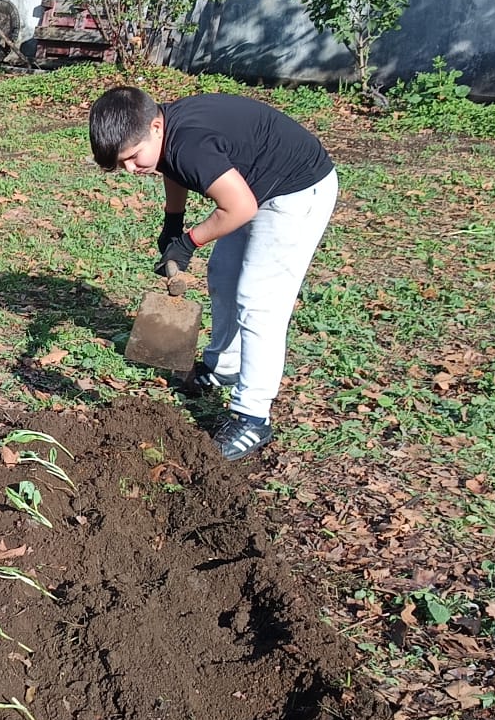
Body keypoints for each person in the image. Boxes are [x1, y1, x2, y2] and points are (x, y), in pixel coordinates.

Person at [89, 86, 337, 461]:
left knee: (259, 301)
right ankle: (225, 366)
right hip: (253, 185)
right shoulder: (165, 132)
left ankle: (253, 415)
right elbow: (172, 167)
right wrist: (173, 222)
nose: (130, 169)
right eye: (121, 163)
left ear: (156, 126)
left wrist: (188, 243)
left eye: (132, 157)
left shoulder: (191, 144)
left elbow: (239, 208)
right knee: (222, 275)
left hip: (296, 190)